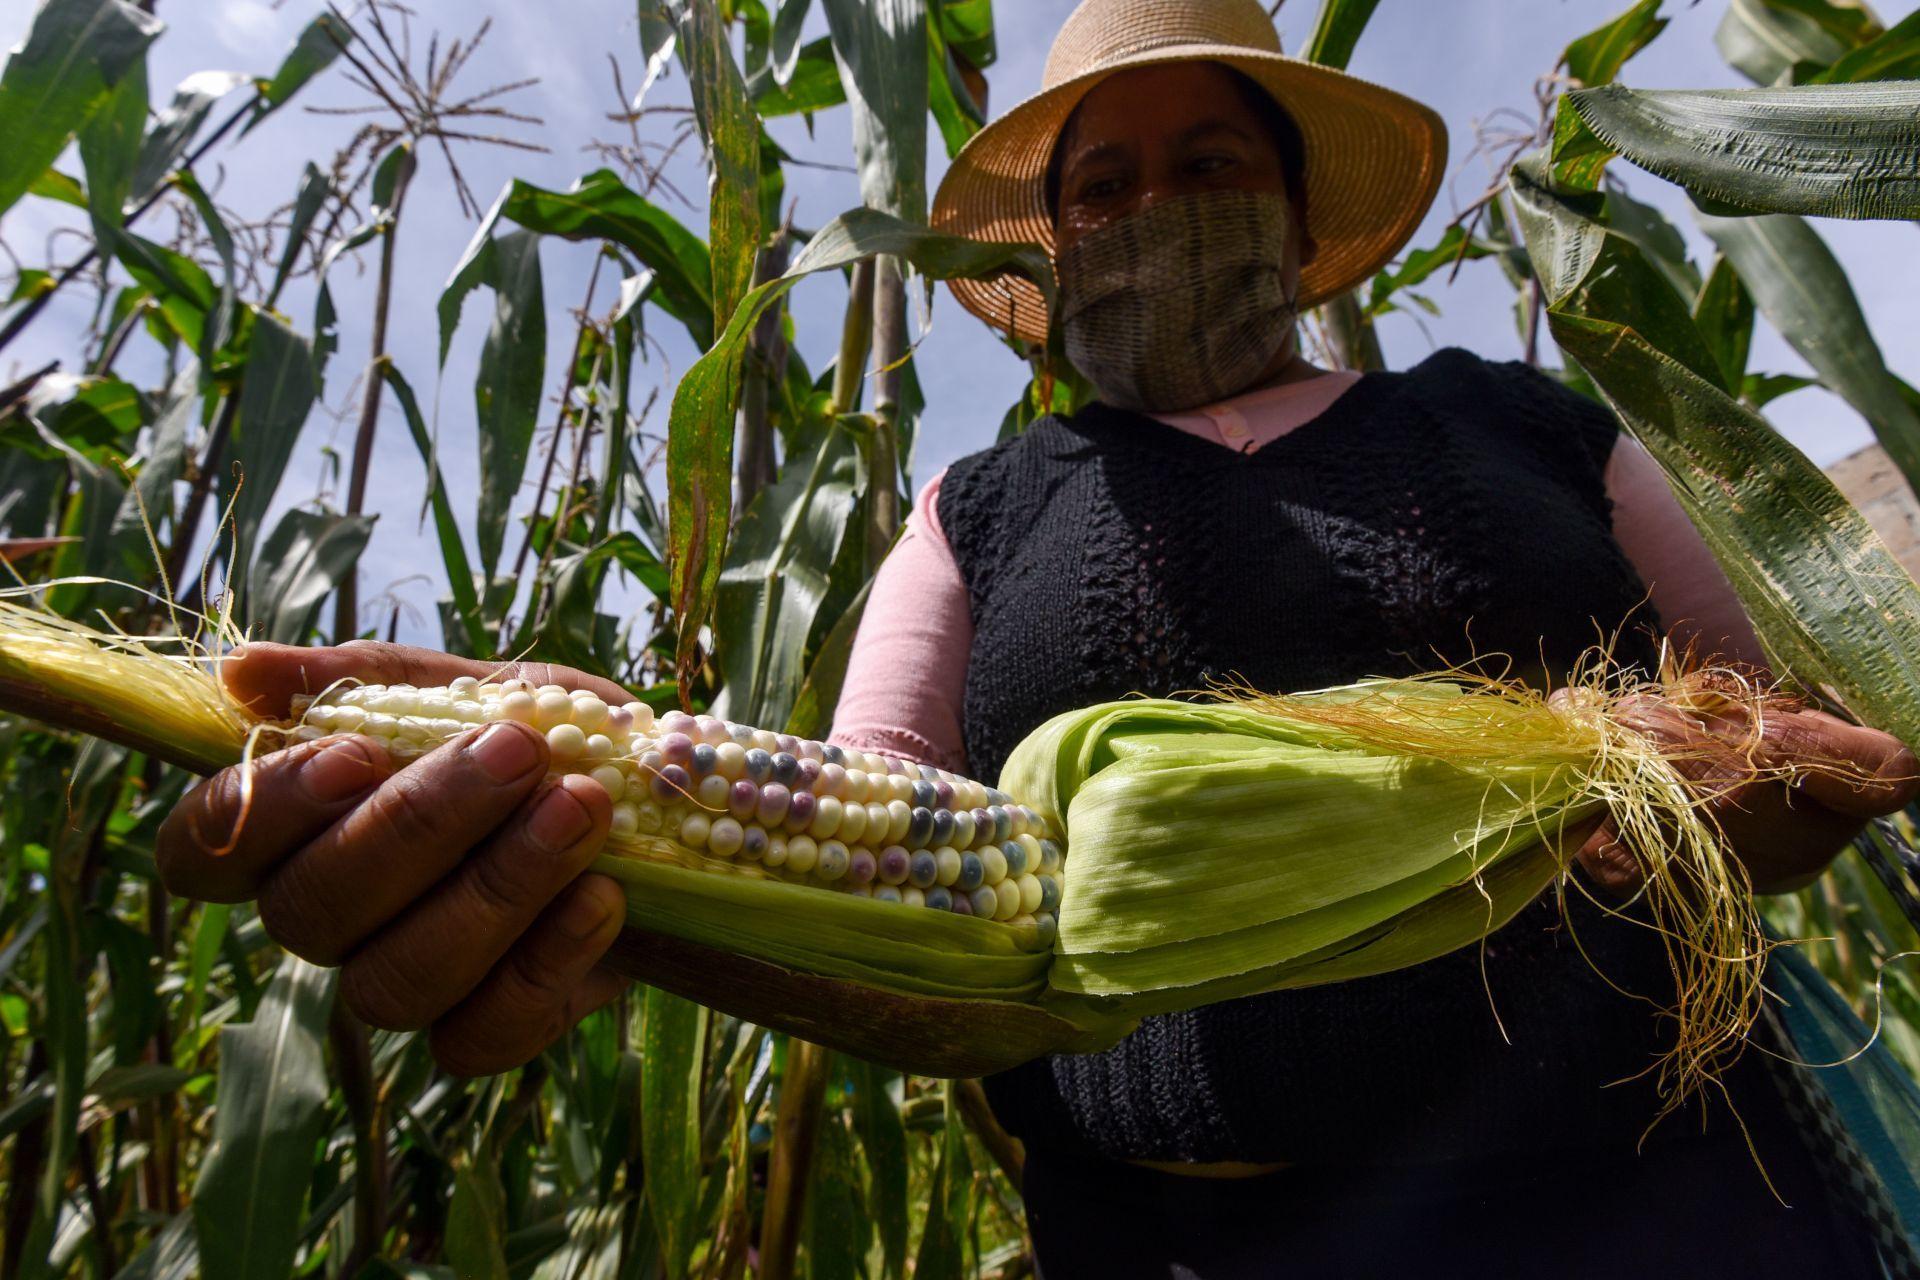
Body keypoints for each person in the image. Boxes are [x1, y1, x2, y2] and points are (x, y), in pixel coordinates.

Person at [153, 0, 1916, 1274]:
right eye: (1107, 188)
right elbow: (869, 818)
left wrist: (1728, 779)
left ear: (1299, 229)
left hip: (1662, 1199)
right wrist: (627, 840)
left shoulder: (1518, 415)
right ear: (1056, 252)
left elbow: (1769, 720)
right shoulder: (981, 502)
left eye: (1210, 167)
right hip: (1174, 1243)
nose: (1157, 209)